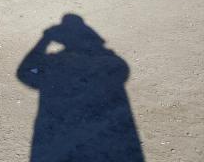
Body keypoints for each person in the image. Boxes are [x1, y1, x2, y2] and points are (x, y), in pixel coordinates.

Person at [17, 14, 144, 161]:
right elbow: (122, 72)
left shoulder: (59, 64)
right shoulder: (113, 62)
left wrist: (45, 39)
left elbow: (23, 73)